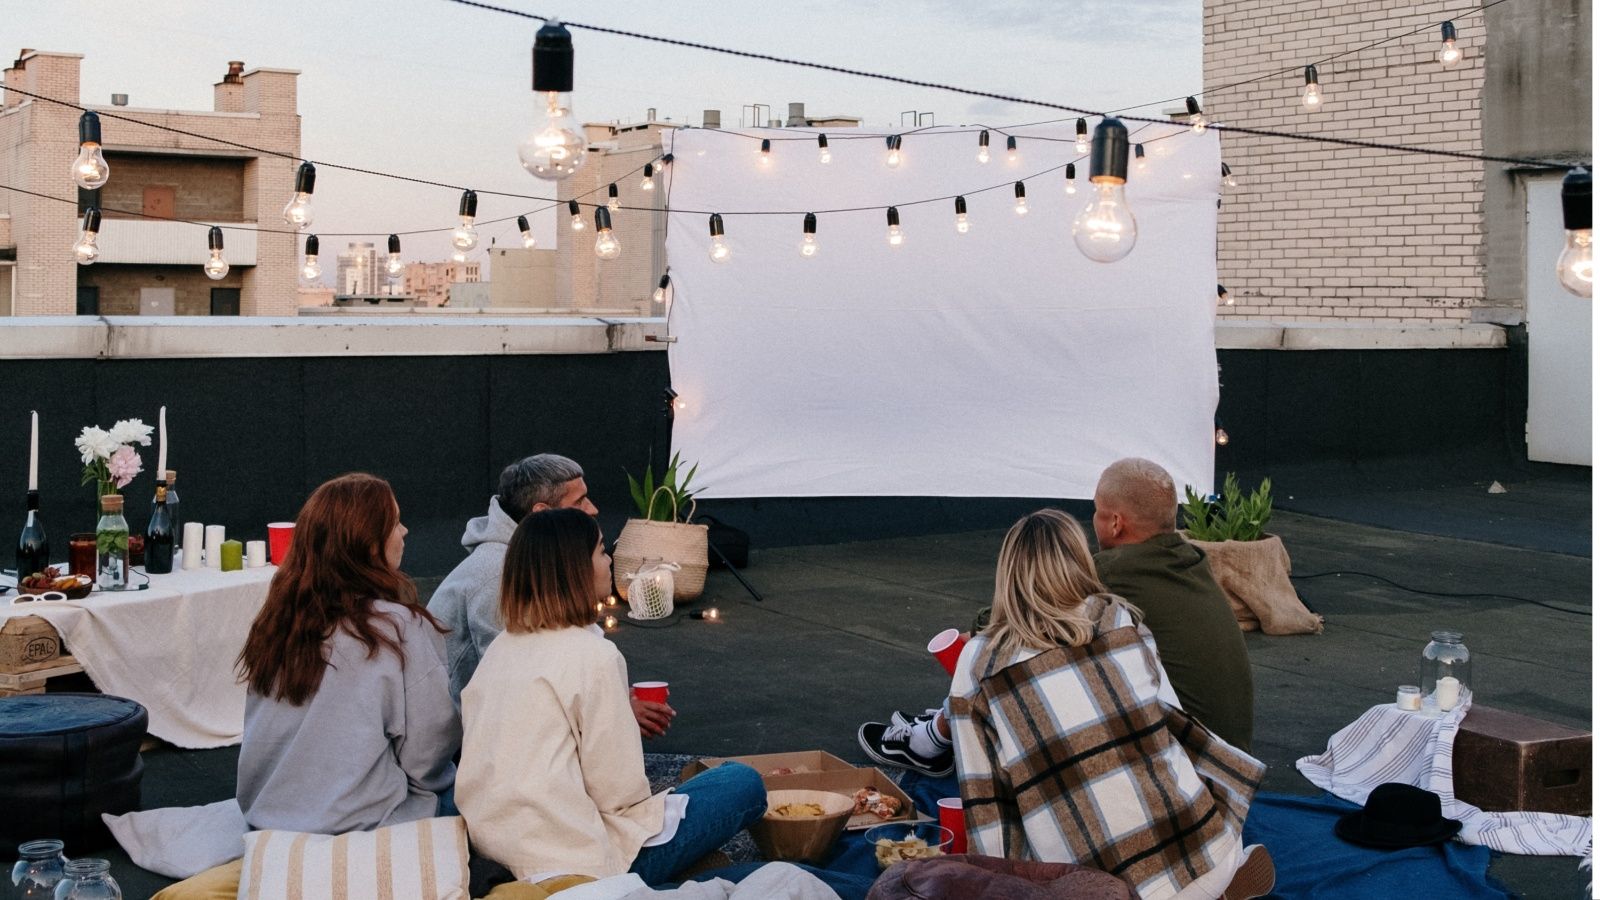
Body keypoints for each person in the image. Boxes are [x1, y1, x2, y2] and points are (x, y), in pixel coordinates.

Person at [154, 473, 460, 899]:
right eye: (395, 522)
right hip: (363, 822)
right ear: (367, 542)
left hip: (269, 814)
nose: (405, 531)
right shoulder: (397, 627)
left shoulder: (278, 622)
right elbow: (428, 754)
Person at [858, 457, 1254, 774]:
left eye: (1098, 512)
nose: (1094, 521)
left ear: (1116, 522)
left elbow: (1018, 614)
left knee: (1015, 651)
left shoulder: (1115, 571)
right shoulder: (1191, 561)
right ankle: (943, 728)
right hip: (1226, 763)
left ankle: (932, 740)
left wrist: (974, 638)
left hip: (1182, 767)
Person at [948, 509, 1270, 900]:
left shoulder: (979, 662)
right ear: (1080, 561)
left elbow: (986, 804)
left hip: (1101, 892)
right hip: (1208, 850)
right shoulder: (1118, 616)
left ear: (1007, 574)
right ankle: (1220, 882)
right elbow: (1172, 725)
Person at [456, 508, 767, 886]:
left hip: (494, 853)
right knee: (740, 782)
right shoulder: (594, 657)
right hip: (575, 864)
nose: (609, 562)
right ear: (575, 570)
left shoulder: (501, 648)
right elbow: (619, 794)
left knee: (722, 863)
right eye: (602, 552)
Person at [428, 453, 673, 739]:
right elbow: (519, 695)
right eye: (579, 501)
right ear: (543, 513)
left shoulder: (528, 560)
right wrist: (612, 711)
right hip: (462, 748)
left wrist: (610, 698)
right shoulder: (500, 576)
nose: (592, 509)